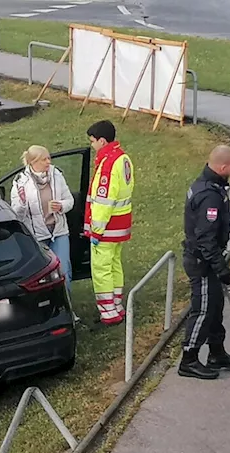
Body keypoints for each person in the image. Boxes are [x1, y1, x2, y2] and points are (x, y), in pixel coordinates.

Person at [178, 145, 230, 380]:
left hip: (206, 259)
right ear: (223, 167)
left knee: (215, 309)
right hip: (203, 263)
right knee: (204, 309)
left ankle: (217, 353)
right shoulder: (210, 196)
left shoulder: (208, 186)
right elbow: (206, 239)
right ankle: (189, 359)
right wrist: (221, 269)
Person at [84, 120, 134, 327]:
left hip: (106, 228)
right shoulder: (123, 158)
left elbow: (103, 202)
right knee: (114, 266)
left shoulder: (108, 164)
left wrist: (96, 231)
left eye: (93, 141)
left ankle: (108, 313)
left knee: (101, 270)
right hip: (120, 225)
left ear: (102, 141)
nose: (92, 145)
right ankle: (117, 306)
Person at [10, 145, 76, 287]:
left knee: (63, 270)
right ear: (33, 162)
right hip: (37, 236)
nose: (48, 162)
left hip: (59, 231)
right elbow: (17, 214)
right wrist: (22, 203)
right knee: (42, 275)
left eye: (48, 158)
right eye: (43, 159)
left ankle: (67, 305)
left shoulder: (57, 175)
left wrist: (61, 206)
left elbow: (70, 200)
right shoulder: (20, 182)